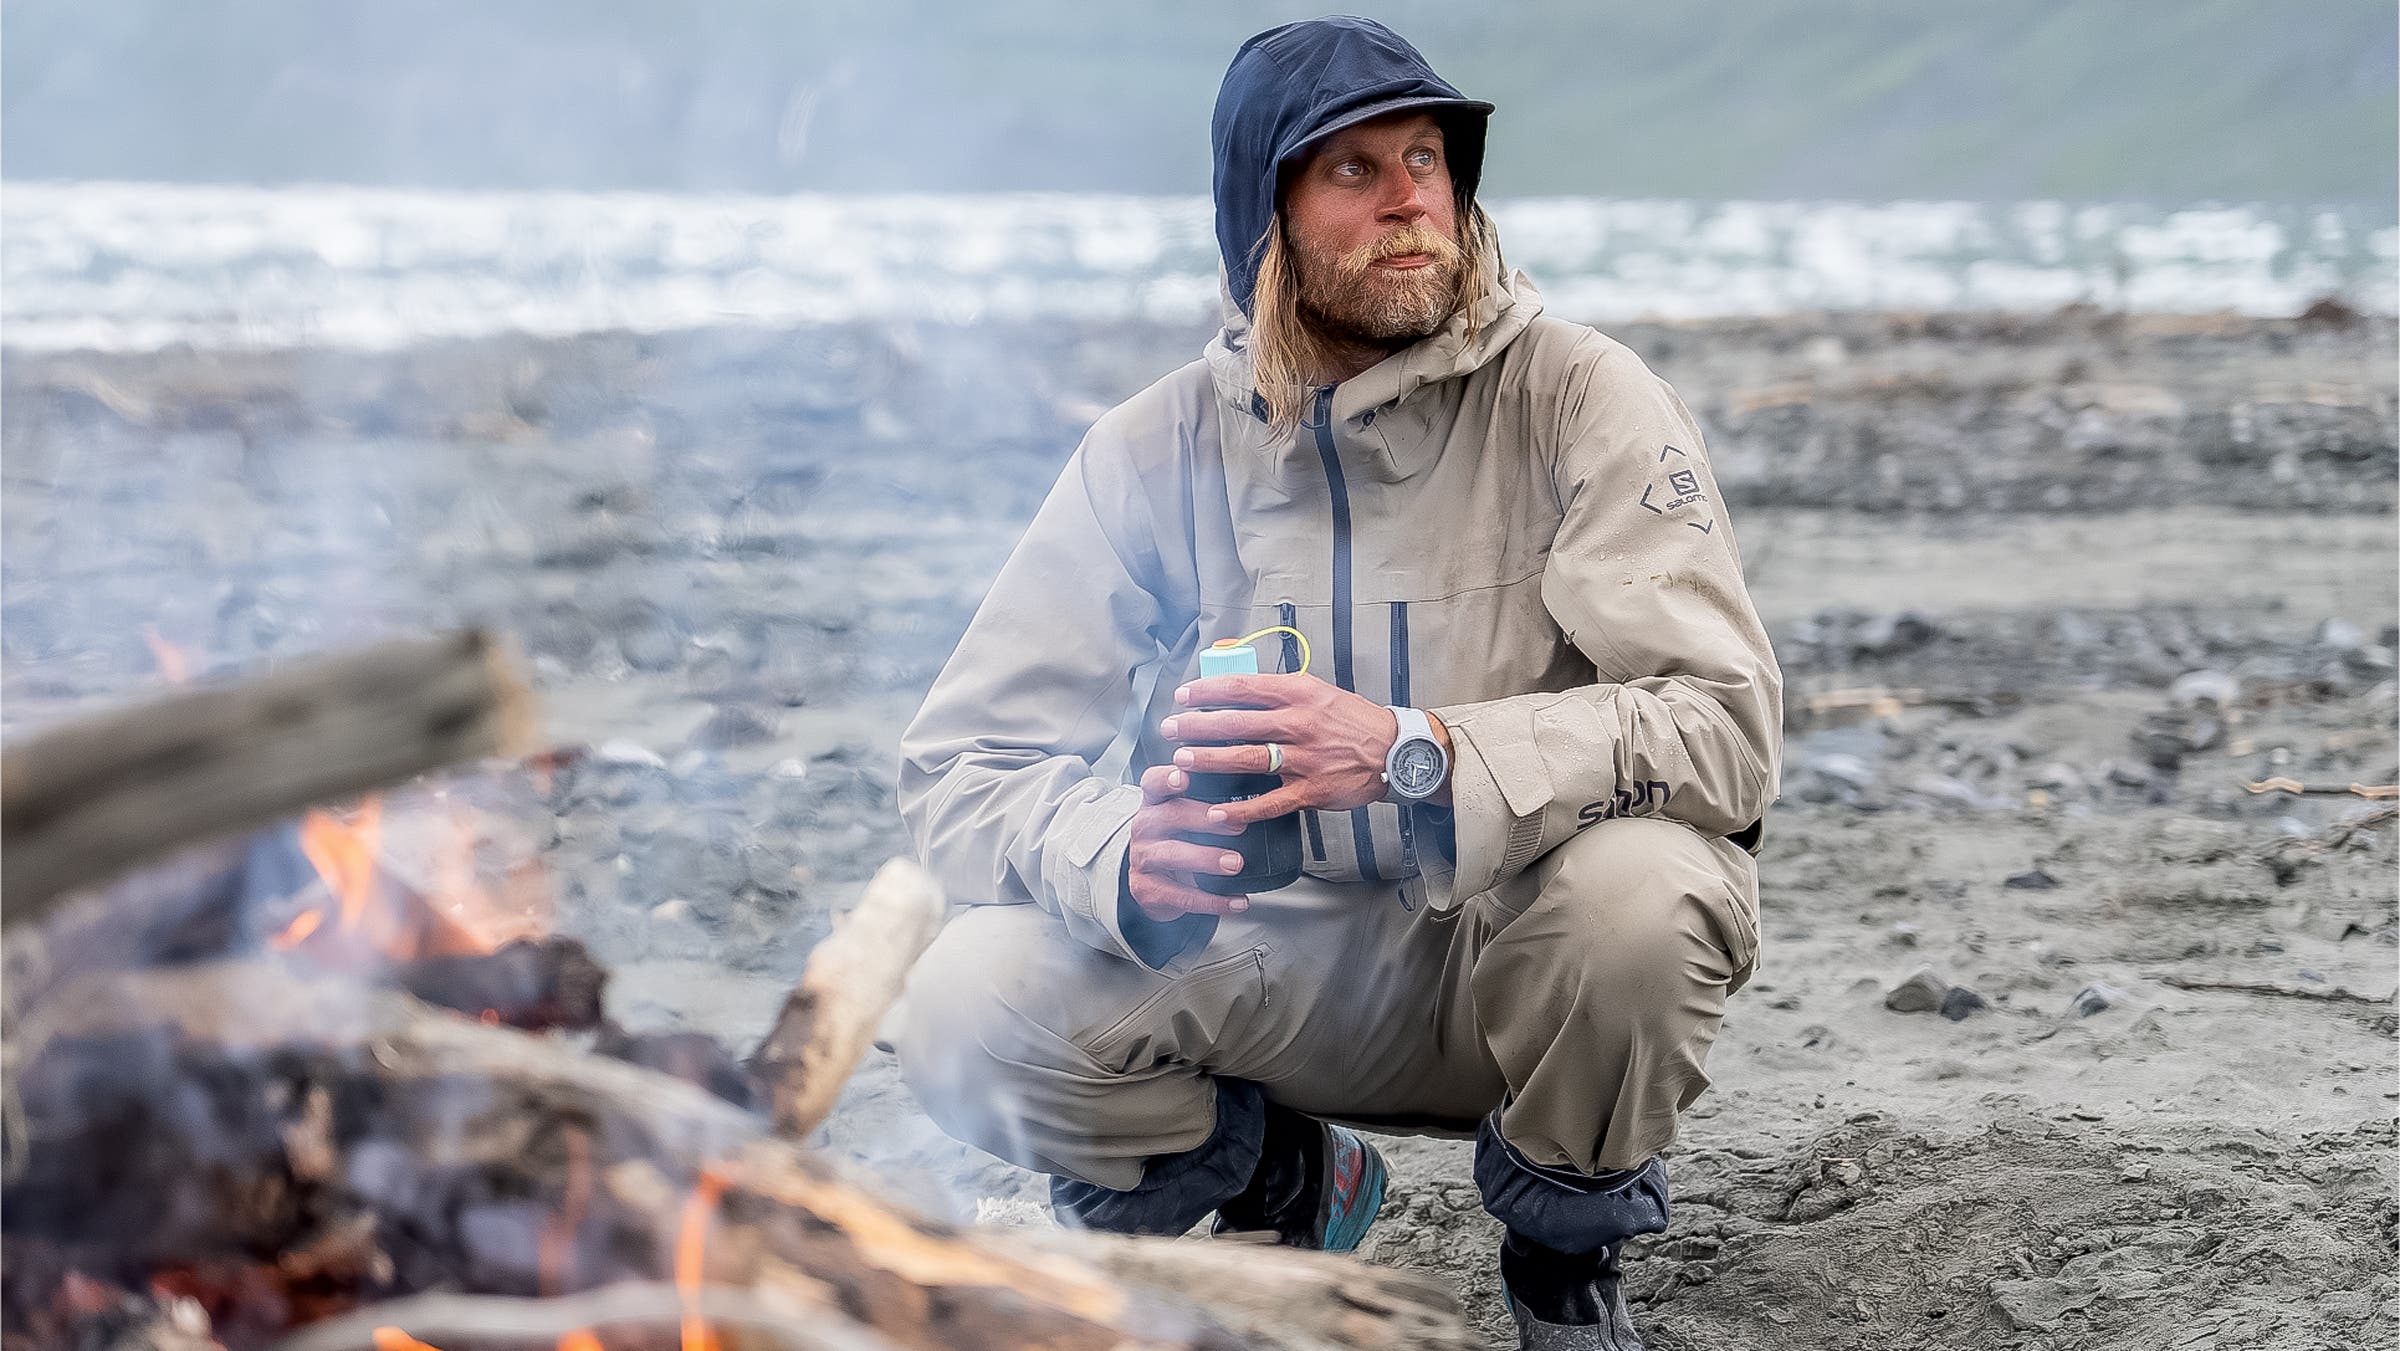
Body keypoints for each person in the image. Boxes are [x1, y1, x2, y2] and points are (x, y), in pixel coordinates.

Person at [890, 17, 1779, 1350]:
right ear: (1266, 222)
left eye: (1426, 158)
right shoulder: (1155, 450)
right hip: (1275, 970)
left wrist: (1420, 752)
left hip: (1518, 956)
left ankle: (1562, 1265)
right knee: (958, 1006)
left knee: (1644, 899)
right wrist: (1122, 854)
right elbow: (961, 771)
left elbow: (1724, 727)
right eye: (1354, 171)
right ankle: (1277, 1177)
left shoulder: (1581, 397)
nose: (1411, 197)